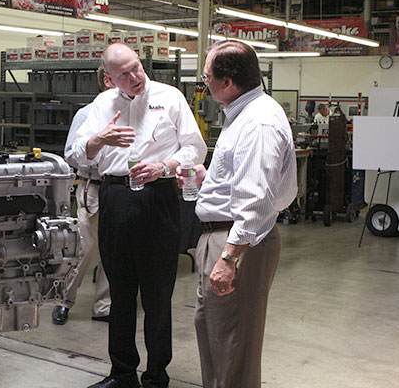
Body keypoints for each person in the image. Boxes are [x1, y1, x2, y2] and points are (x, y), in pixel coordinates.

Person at [72, 43, 206, 388]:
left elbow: (195, 146)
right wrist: (99, 140)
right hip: (114, 196)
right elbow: (77, 155)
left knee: (158, 293)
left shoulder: (171, 96)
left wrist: (165, 165)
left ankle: (157, 374)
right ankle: (122, 373)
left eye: (137, 68)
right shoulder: (101, 106)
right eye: (124, 74)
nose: (135, 77)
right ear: (109, 78)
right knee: (120, 290)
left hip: (158, 197)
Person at [188, 41, 296, 388]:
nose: (204, 84)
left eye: (207, 77)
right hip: (226, 236)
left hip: (237, 242)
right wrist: (211, 180)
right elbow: (247, 180)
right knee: (216, 337)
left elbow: (255, 199)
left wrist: (230, 257)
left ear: (229, 82)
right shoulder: (244, 114)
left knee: (234, 346)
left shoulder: (258, 122)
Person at [52, 66, 114, 326]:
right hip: (93, 187)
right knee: (85, 249)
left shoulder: (134, 113)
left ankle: (104, 306)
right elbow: (70, 153)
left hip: (122, 190)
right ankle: (63, 300)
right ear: (108, 81)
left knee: (114, 251)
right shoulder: (86, 114)